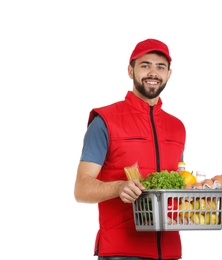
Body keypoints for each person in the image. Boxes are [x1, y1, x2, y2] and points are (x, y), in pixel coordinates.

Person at [74, 38, 186, 260]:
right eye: (145, 65)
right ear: (130, 70)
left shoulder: (177, 127)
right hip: (122, 252)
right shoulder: (105, 121)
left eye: (160, 67)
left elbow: (178, 184)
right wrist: (118, 188)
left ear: (169, 74)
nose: (153, 73)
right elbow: (81, 189)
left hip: (170, 252)